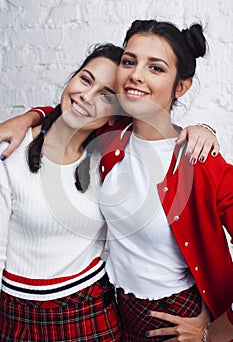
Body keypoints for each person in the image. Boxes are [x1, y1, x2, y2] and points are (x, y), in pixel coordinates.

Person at [94, 20, 233, 341]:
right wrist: (31, 116)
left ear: (180, 87)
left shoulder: (200, 160)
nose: (136, 75)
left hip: (175, 316)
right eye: (129, 62)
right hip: (114, 307)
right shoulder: (107, 137)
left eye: (155, 68)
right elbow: (67, 111)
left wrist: (218, 327)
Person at [0, 43, 125, 342]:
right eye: (85, 79)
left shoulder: (107, 161)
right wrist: (33, 116)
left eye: (105, 95)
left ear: (114, 116)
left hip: (91, 313)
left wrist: (203, 128)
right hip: (16, 314)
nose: (86, 95)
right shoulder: (10, 153)